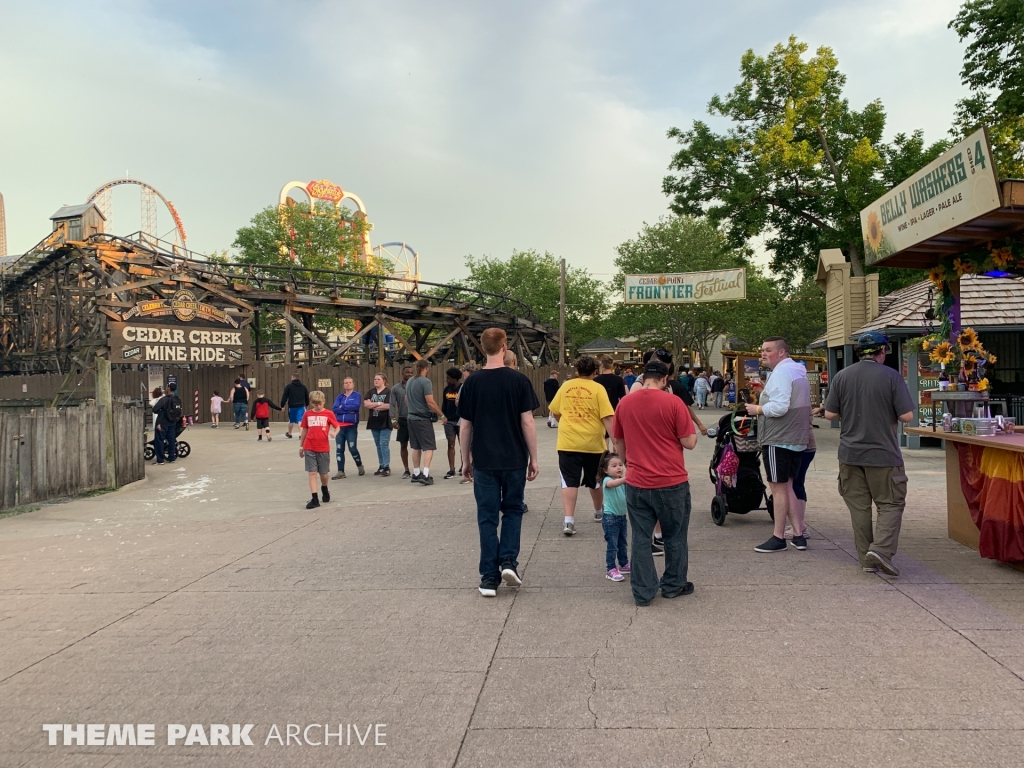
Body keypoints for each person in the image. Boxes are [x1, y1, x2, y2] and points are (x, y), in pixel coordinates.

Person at [824, 331, 915, 576]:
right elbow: (907, 416)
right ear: (882, 351)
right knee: (891, 503)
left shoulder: (842, 376)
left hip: (850, 454)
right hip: (883, 453)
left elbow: (830, 414)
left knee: (859, 507)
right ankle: (881, 550)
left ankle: (866, 558)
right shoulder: (892, 376)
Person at [458, 327, 539, 597]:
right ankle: (508, 562)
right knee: (513, 511)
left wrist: (465, 459)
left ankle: (489, 577)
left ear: (483, 348)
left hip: (484, 459)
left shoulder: (472, 383)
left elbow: (465, 425)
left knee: (487, 517)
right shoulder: (519, 381)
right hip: (514, 457)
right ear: (504, 347)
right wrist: (534, 457)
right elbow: (527, 422)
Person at [613, 359, 698, 606]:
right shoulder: (674, 403)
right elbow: (689, 442)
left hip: (638, 481)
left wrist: (627, 463)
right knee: (675, 535)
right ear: (665, 379)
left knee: (641, 537)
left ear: (643, 378)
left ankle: (643, 591)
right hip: (671, 480)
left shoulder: (625, 403)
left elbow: (618, 441)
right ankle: (673, 584)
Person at [745, 337, 812, 554]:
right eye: (762, 350)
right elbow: (787, 399)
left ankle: (778, 537)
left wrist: (757, 409)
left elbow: (780, 407)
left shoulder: (782, 372)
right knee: (789, 485)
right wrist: (765, 391)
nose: (763, 354)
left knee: (778, 488)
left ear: (782, 352)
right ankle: (798, 535)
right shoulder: (796, 370)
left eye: (768, 350)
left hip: (778, 438)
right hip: (795, 439)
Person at [548, 355, 614, 535]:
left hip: (568, 442)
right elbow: (607, 416)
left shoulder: (566, 386)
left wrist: (565, 422)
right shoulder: (598, 389)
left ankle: (569, 521)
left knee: (569, 481)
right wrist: (616, 441)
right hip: (593, 443)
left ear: (577, 371)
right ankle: (599, 512)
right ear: (595, 371)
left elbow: (554, 411)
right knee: (596, 480)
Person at [406, 358, 446, 485]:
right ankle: (426, 474)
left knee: (416, 446)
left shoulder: (410, 381)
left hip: (411, 417)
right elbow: (430, 402)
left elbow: (406, 399)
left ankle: (416, 473)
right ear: (426, 368)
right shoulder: (425, 382)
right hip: (422, 418)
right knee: (429, 446)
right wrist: (441, 415)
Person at [298, 390, 339, 509]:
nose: (318, 407)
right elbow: (304, 430)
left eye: (320, 404)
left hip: (323, 447)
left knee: (324, 474)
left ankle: (324, 488)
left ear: (324, 402)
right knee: (312, 472)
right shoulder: (308, 414)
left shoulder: (328, 414)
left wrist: (334, 433)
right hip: (309, 446)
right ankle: (314, 498)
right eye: (315, 405)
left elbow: (337, 426)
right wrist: (301, 446)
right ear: (311, 403)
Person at [599, 453, 630, 582]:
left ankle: (623, 564)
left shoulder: (621, 481)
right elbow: (612, 484)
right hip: (610, 519)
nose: (618, 468)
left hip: (622, 517)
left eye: (620, 465)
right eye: (614, 466)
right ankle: (610, 568)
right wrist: (627, 478)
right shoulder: (607, 480)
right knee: (612, 545)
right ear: (605, 470)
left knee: (622, 543)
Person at [331, 377, 364, 479]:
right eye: (346, 383)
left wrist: (342, 407)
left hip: (351, 426)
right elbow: (334, 408)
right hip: (339, 427)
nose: (348, 384)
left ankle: (359, 465)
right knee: (339, 449)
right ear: (343, 385)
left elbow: (356, 407)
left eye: (350, 382)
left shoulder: (357, 395)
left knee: (352, 448)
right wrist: (348, 410)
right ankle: (340, 471)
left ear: (353, 384)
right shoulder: (340, 396)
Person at [363, 372, 393, 476]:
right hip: (374, 422)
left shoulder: (388, 392)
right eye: (375, 379)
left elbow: (388, 406)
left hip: (385, 422)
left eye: (378, 379)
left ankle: (386, 466)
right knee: (378, 444)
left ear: (384, 381)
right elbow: (366, 404)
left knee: (383, 443)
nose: (376, 381)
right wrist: (379, 403)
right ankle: (381, 465)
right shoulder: (370, 392)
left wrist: (373, 405)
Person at [390, 366, 414, 478]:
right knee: (403, 444)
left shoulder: (415, 386)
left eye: (411, 372)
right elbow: (392, 404)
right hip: (403, 419)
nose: (409, 374)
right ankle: (406, 469)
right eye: (407, 372)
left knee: (417, 446)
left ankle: (418, 469)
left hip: (415, 418)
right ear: (402, 373)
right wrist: (393, 419)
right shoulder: (396, 388)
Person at [152, 382, 183, 465]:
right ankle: (172, 458)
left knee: (159, 440)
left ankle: (160, 460)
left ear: (168, 388)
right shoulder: (177, 399)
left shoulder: (164, 399)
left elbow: (154, 409)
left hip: (162, 423)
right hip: (173, 422)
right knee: (171, 440)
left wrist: (161, 412)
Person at [442, 367, 463, 479]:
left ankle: (464, 465)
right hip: (449, 421)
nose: (447, 380)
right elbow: (444, 405)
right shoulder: (446, 389)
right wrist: (443, 416)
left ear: (455, 378)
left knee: (463, 445)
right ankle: (451, 469)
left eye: (449, 378)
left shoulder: (463, 388)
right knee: (450, 444)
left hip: (461, 420)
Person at [280, 373, 309, 439]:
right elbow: (306, 396)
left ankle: (289, 433)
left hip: (292, 406)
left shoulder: (288, 387)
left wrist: (282, 405)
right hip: (301, 405)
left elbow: (284, 397)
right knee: (300, 420)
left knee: (291, 420)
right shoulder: (303, 387)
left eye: (291, 377)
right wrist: (307, 404)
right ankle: (300, 434)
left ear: (293, 377)